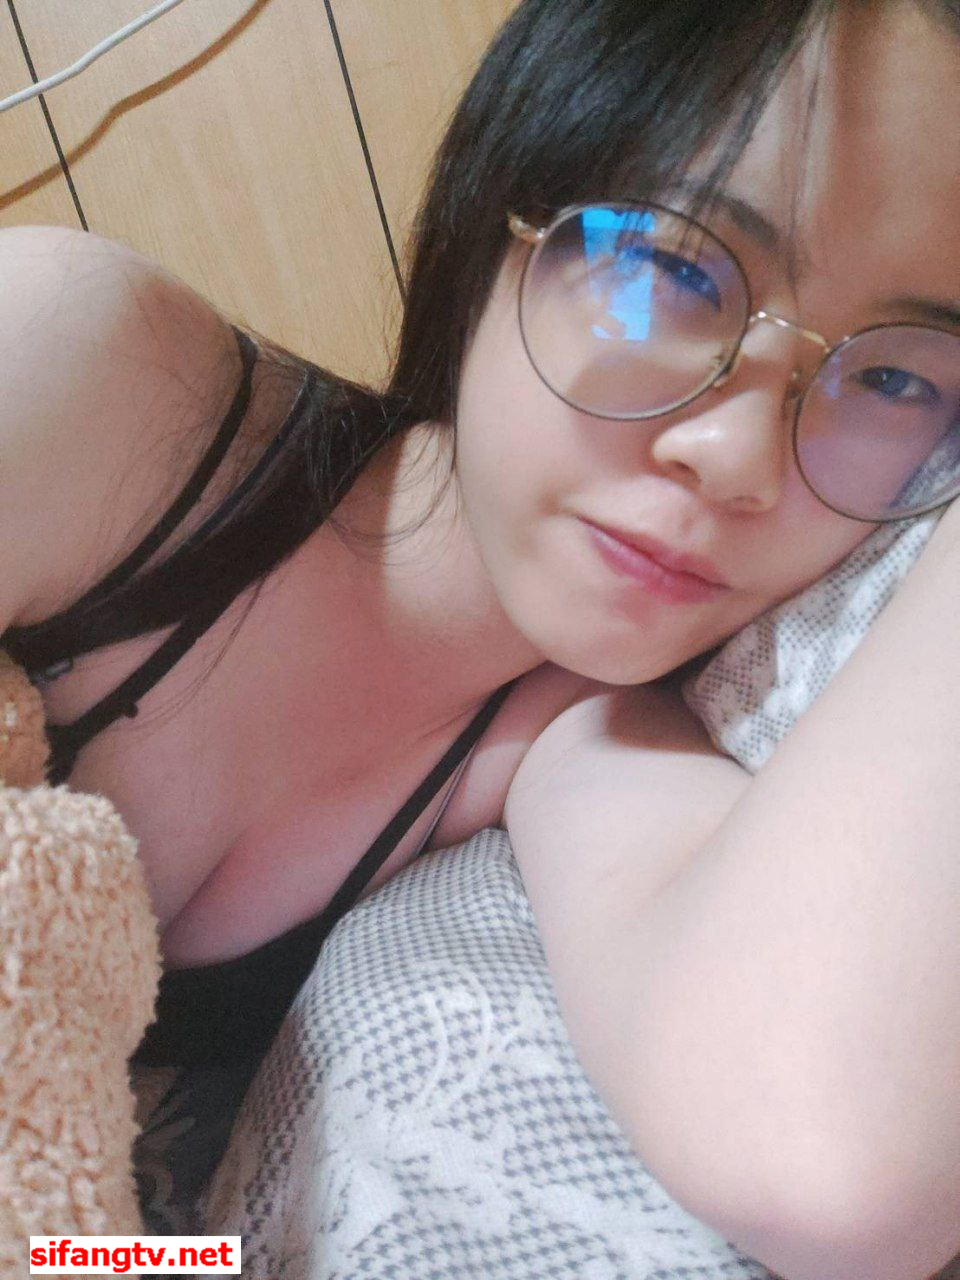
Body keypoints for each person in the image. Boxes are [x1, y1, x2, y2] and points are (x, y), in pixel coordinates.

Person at [1, 0, 959, 1274]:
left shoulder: (579, 741)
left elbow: (821, 1159)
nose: (738, 456)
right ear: (499, 207)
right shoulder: (95, 370)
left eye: (895, 380)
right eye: (675, 269)